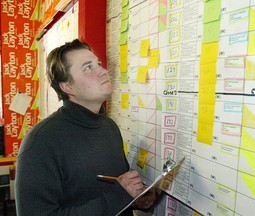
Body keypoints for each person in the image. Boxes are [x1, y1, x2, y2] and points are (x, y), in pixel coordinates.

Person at [15, 39, 156, 216]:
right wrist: (119, 196)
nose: (103, 71)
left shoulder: (109, 127)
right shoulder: (41, 142)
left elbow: (112, 194)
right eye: (88, 67)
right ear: (67, 86)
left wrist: (136, 198)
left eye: (98, 64)